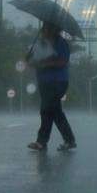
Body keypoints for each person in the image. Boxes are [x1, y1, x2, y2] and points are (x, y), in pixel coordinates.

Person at [27, 22, 77, 152]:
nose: (43, 29)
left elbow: (62, 61)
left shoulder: (61, 43)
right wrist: (30, 59)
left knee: (47, 110)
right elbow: (33, 62)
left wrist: (46, 63)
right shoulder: (40, 44)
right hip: (44, 82)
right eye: (43, 27)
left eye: (47, 27)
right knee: (52, 111)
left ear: (54, 29)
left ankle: (43, 141)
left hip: (58, 82)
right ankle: (66, 140)